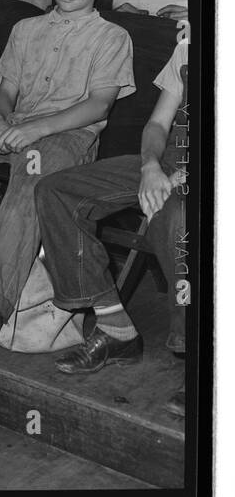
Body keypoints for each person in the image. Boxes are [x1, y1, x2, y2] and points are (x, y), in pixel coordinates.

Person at [0, 0, 136, 379]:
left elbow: (98, 105)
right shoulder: (26, 29)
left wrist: (31, 130)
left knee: (32, 180)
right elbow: (6, 90)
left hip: (66, 136)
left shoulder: (111, 36)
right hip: (15, 128)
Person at [34, 39, 188, 410]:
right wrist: (151, 166)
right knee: (55, 190)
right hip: (166, 163)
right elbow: (157, 124)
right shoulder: (187, 45)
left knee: (178, 220)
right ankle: (115, 326)